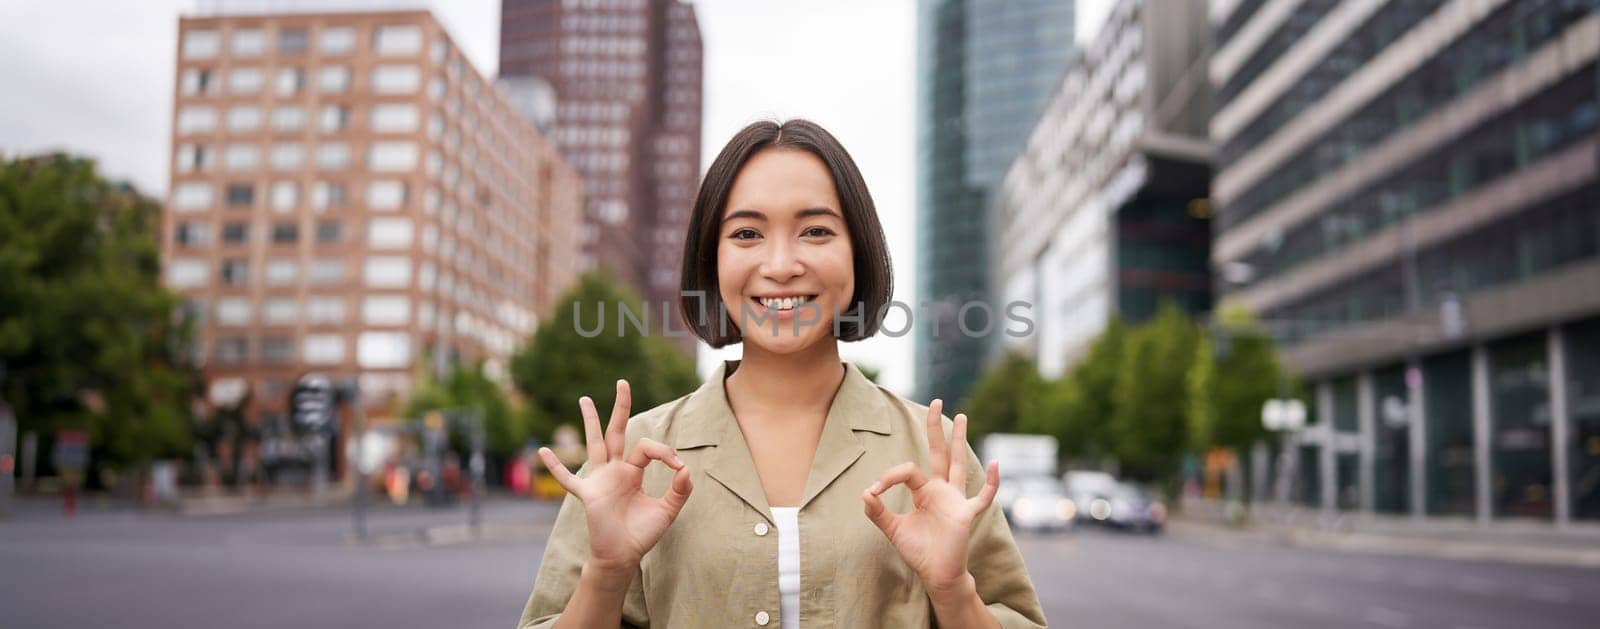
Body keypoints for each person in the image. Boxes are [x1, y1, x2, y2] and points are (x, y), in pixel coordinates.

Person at [518, 119, 1047, 628]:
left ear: (858, 254)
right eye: (747, 233)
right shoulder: (631, 459)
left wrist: (954, 590)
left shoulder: (935, 458)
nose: (780, 264)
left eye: (815, 231)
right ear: (712, 259)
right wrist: (607, 574)